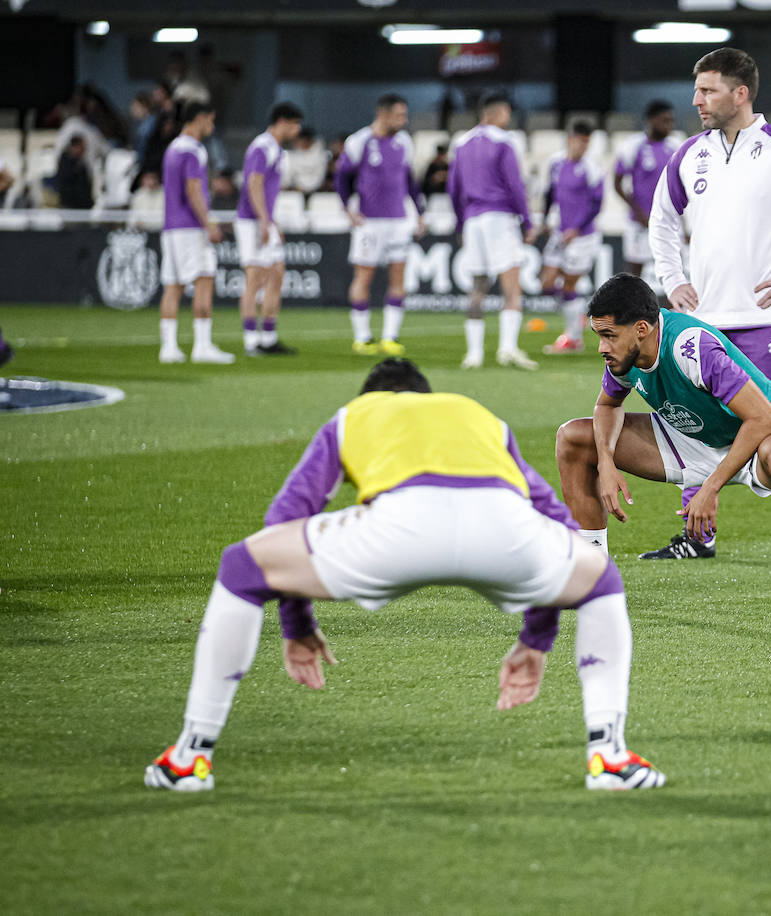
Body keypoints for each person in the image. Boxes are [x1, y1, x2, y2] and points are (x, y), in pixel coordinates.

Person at [144, 357, 665, 793]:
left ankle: (192, 755)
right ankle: (609, 755)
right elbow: (553, 519)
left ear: (375, 394)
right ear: (425, 394)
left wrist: (297, 625)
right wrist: (535, 639)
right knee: (601, 581)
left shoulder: (356, 414)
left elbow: (287, 519)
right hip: (502, 528)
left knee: (242, 564)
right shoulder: (474, 414)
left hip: (395, 529)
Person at [646, 47, 771, 561]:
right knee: (692, 427)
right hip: (701, 325)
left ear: (740, 93)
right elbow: (661, 220)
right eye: (697, 89)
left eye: (707, 90)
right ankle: (697, 537)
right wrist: (672, 280)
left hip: (765, 327)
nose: (696, 100)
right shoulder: (690, 153)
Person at [555, 274, 771, 623]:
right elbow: (607, 407)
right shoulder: (624, 355)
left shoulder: (691, 346)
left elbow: (763, 420)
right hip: (693, 438)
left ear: (641, 328)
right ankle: (595, 582)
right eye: (599, 336)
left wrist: (709, 487)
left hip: (764, 437)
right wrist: (605, 463)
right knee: (574, 437)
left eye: (608, 336)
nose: (602, 347)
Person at [447, 90, 538, 371]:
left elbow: (454, 189)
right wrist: (527, 221)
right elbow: (515, 185)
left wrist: (461, 222)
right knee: (511, 287)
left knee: (478, 287)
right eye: (506, 112)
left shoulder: (461, 143)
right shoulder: (504, 141)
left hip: (473, 220)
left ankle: (473, 355)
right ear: (497, 113)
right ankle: (507, 349)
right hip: (499, 218)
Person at [336, 93, 426, 357]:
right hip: (369, 222)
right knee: (363, 276)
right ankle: (362, 337)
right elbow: (342, 177)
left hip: (398, 220)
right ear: (383, 114)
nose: (404, 120)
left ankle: (390, 337)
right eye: (399, 115)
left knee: (398, 277)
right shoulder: (359, 141)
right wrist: (347, 210)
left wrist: (419, 213)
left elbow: (410, 180)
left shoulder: (404, 142)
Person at [158, 101, 233, 365]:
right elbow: (193, 190)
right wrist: (209, 223)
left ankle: (168, 347)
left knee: (173, 285)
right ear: (199, 118)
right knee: (204, 280)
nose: (211, 126)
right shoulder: (194, 150)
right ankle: (202, 345)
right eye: (210, 120)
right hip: (190, 228)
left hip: (170, 227)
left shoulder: (172, 149)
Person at [237, 102, 303, 357]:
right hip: (251, 221)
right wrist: (264, 220)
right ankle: (251, 341)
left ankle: (269, 337)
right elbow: (253, 183)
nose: (297, 130)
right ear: (283, 122)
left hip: (264, 220)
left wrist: (272, 222)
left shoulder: (275, 149)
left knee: (276, 273)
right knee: (255, 278)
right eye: (295, 124)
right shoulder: (262, 147)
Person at [539, 121, 605, 355]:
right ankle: (577, 314)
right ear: (570, 139)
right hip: (560, 233)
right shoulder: (556, 163)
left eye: (587, 141)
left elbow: (597, 205)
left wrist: (577, 228)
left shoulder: (592, 168)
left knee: (569, 284)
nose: (583, 146)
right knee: (546, 282)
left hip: (583, 237)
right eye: (580, 140)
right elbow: (549, 194)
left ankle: (573, 339)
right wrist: (545, 219)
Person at [613, 100, 679, 280]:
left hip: (667, 220)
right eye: (665, 121)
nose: (669, 125)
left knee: (672, 269)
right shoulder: (633, 146)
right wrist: (637, 211)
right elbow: (617, 183)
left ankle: (671, 308)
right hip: (639, 221)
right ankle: (632, 307)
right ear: (651, 120)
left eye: (671, 121)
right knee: (635, 272)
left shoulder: (675, 147)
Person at [55, 135, 94, 209]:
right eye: (82, 147)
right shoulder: (66, 163)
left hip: (83, 207)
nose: (84, 150)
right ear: (76, 146)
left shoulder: (81, 162)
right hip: (71, 206)